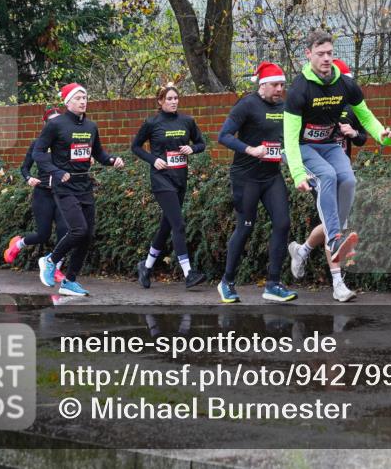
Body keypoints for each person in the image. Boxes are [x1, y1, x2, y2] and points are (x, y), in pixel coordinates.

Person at [283, 30, 391, 284]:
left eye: (330, 54)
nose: (326, 59)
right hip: (304, 147)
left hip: (329, 145)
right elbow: (289, 137)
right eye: (321, 54)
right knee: (327, 175)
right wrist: (297, 173)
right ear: (309, 54)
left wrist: (382, 134)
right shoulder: (299, 89)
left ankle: (330, 235)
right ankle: (335, 239)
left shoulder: (344, 84)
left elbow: (365, 115)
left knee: (348, 179)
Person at [33, 83, 124, 296]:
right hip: (64, 186)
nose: (83, 101)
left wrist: (112, 160)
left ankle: (69, 281)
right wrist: (55, 171)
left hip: (84, 186)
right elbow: (38, 153)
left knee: (88, 235)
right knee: (78, 229)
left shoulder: (91, 127)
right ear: (68, 102)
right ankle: (50, 260)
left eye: (85, 97)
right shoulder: (56, 125)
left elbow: (99, 154)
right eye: (78, 98)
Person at [216, 63, 297, 303]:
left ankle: (272, 284)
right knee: (246, 227)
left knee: (283, 223)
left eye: (282, 85)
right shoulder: (247, 105)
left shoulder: (284, 106)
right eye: (275, 84)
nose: (279, 89)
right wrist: (250, 149)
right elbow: (224, 136)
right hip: (246, 177)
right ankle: (227, 282)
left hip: (271, 176)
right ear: (262, 85)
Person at [287, 58, 367, 302]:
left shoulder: (350, 108)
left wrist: (352, 133)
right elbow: (295, 134)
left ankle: (302, 250)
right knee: (335, 226)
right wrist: (298, 170)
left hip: (340, 166)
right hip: (320, 170)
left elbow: (362, 137)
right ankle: (338, 283)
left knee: (335, 223)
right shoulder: (316, 103)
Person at [132, 84, 207, 289]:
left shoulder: (187, 121)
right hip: (161, 179)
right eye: (169, 98)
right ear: (160, 101)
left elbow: (202, 143)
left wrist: (192, 148)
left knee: (167, 226)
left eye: (176, 98)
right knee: (179, 225)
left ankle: (146, 267)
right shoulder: (152, 123)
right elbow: (135, 147)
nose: (174, 101)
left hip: (180, 179)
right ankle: (188, 273)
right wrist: (153, 160)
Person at [4, 108, 68, 282]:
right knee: (43, 235)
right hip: (43, 194)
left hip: (62, 194)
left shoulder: (66, 142)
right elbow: (24, 167)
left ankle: (55, 267)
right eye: (52, 122)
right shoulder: (38, 144)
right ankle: (17, 243)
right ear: (45, 124)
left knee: (66, 232)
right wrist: (29, 178)